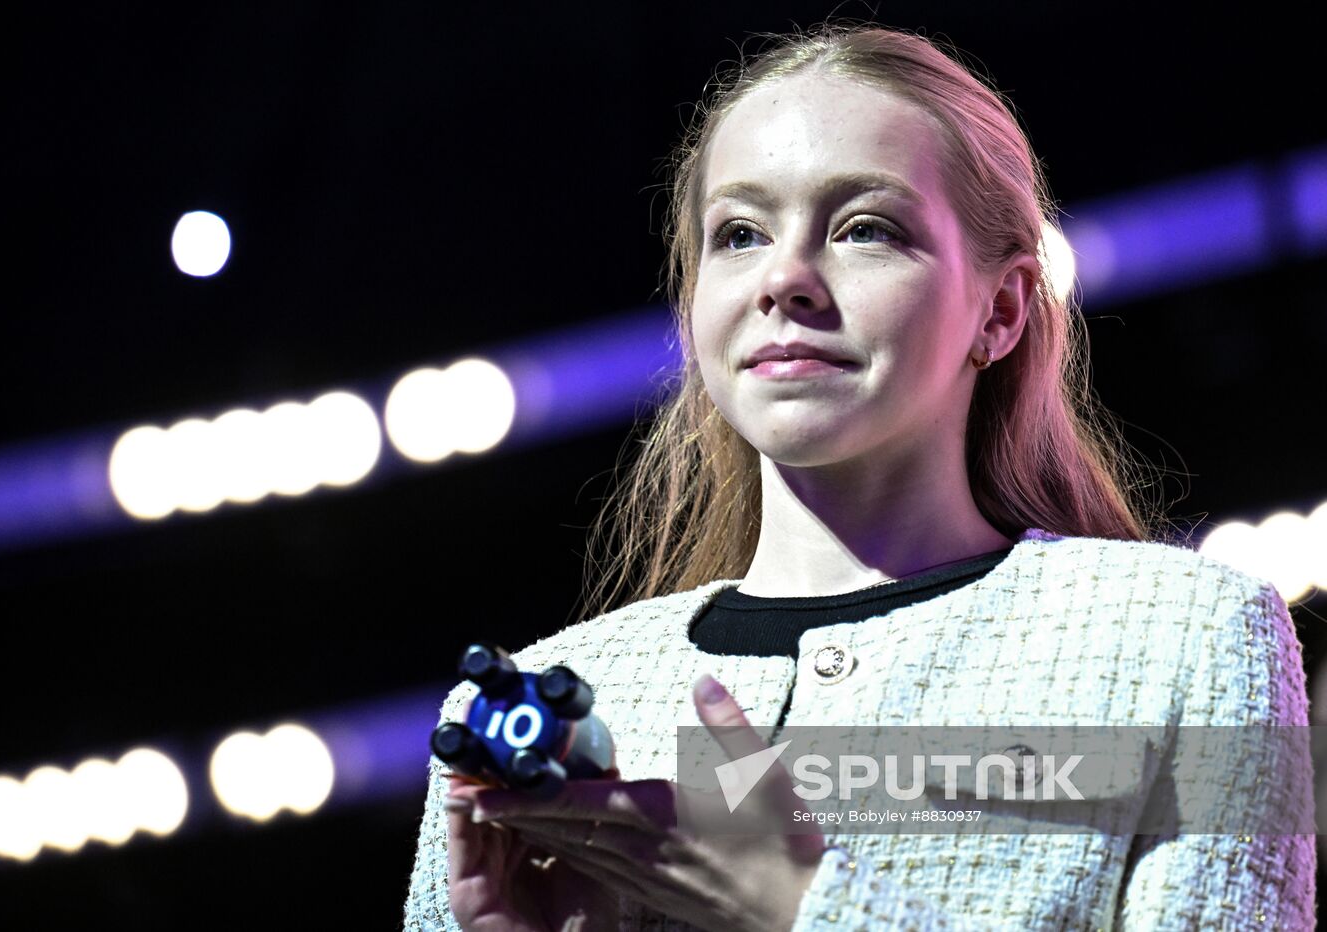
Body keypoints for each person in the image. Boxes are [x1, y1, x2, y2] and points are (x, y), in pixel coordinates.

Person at [402, 21, 1316, 931]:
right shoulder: (541, 702)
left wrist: (807, 911)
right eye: (740, 233)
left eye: (864, 229)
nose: (785, 279)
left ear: (999, 312)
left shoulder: (1179, 636)